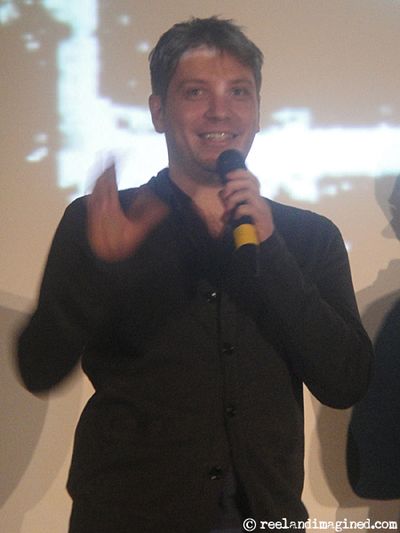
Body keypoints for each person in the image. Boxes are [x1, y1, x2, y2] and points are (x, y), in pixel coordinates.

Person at [16, 16, 373, 533]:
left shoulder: (307, 236)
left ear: (257, 111)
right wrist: (98, 273)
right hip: (127, 516)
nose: (220, 110)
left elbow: (346, 381)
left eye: (239, 92)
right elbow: (39, 367)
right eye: (195, 92)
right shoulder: (103, 220)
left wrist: (270, 252)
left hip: (266, 516)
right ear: (159, 112)